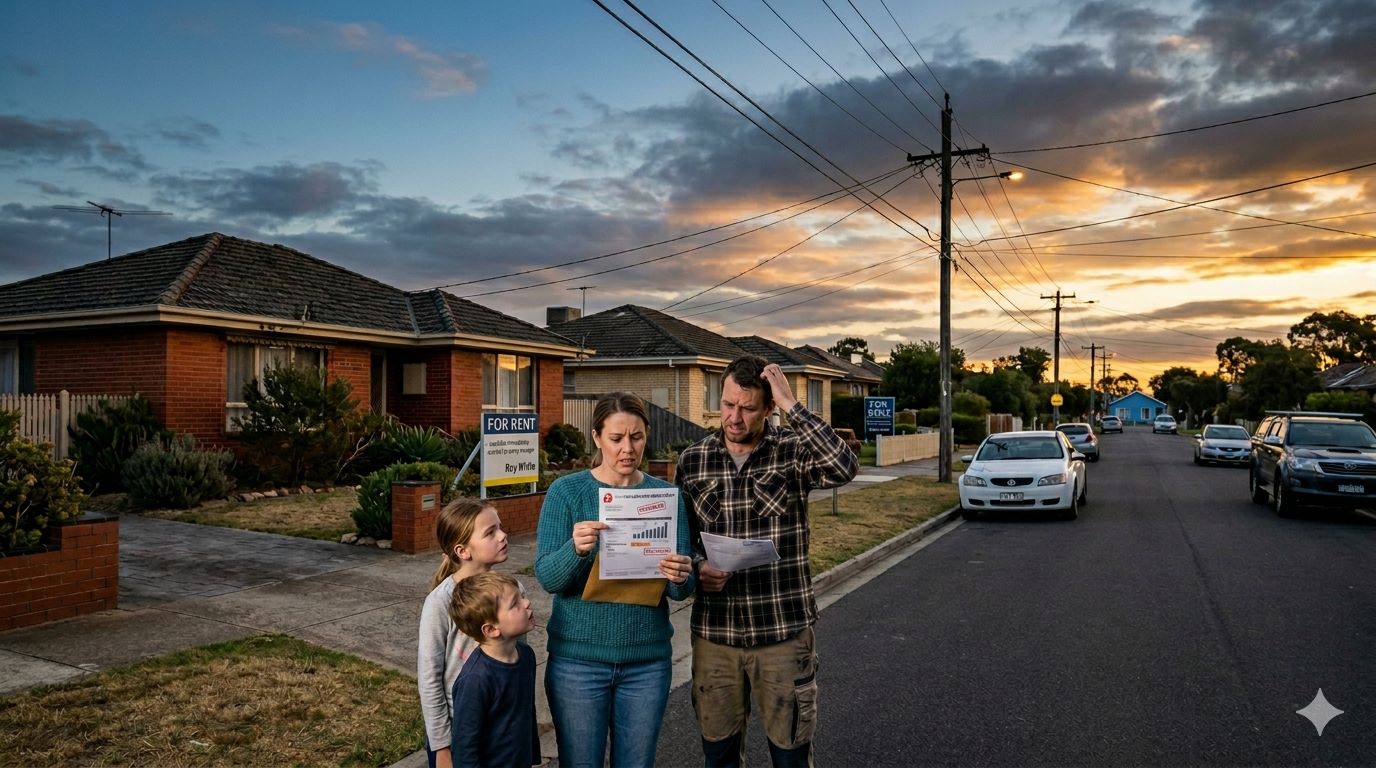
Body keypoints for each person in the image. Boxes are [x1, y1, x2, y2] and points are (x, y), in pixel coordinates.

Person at [676, 356, 859, 767]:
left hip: (782, 630)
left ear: (769, 408)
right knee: (718, 756)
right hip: (715, 635)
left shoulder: (794, 452)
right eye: (726, 404)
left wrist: (794, 406)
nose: (734, 418)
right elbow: (680, 538)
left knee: (790, 756)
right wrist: (697, 566)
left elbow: (844, 466)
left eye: (748, 408)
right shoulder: (693, 460)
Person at [535, 391, 697, 768]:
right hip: (578, 661)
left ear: (646, 435)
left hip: (646, 661)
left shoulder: (667, 495)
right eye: (616, 438)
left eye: (636, 437)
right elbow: (547, 577)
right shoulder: (567, 492)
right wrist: (573, 550)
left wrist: (681, 574)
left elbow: (681, 590)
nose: (628, 448)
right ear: (596, 437)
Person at [417, 498, 510, 768]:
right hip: (460, 730)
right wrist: (442, 746)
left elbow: (517, 660)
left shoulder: (512, 593)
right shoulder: (440, 602)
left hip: (503, 726)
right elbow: (430, 678)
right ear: (463, 551)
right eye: (490, 532)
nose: (503, 536)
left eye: (500, 528)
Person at [447, 571, 541, 768]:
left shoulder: (526, 656)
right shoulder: (476, 679)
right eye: (515, 604)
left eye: (522, 597)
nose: (526, 603)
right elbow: (465, 747)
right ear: (491, 630)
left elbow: (526, 714)